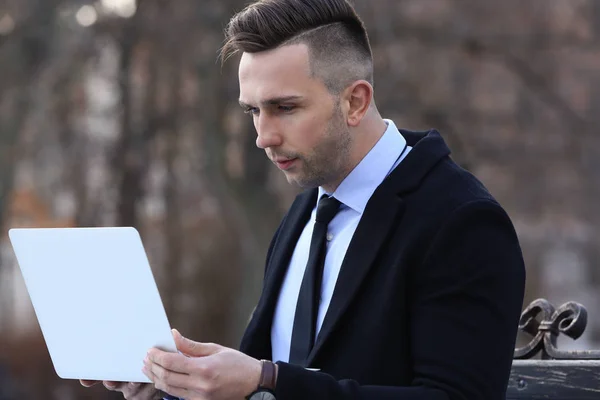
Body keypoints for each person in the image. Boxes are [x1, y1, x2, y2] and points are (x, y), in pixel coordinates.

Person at [82, 0, 526, 399]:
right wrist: (173, 385)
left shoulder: (462, 221)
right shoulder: (307, 210)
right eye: (253, 110)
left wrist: (269, 379)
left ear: (355, 101)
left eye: (285, 108)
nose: (262, 136)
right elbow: (264, 382)